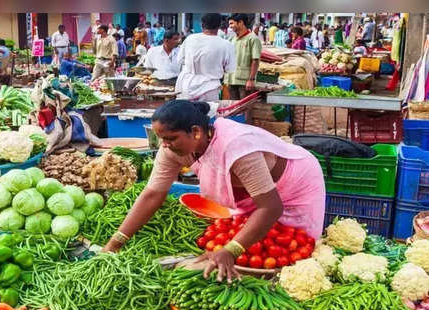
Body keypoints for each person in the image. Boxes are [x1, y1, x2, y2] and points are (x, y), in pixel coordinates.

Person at [102, 100, 325, 281]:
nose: (165, 145)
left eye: (170, 138)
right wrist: (115, 243)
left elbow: (270, 207)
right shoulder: (172, 149)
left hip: (294, 183)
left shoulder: (236, 146)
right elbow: (153, 194)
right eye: (161, 139)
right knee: (255, 247)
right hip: (251, 193)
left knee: (294, 251)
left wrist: (231, 250)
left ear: (196, 132)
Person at [176, 13, 235, 102]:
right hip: (209, 88)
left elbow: (179, 60)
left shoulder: (190, 39)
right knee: (207, 114)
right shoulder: (226, 45)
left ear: (202, 25)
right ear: (219, 26)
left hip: (185, 86)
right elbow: (230, 69)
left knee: (185, 114)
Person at [225, 14, 261, 100]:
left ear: (240, 22)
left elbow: (255, 60)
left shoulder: (253, 39)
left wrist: (251, 79)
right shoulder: (232, 39)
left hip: (244, 80)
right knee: (234, 107)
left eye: (232, 23)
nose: (230, 27)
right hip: (231, 79)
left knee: (245, 107)